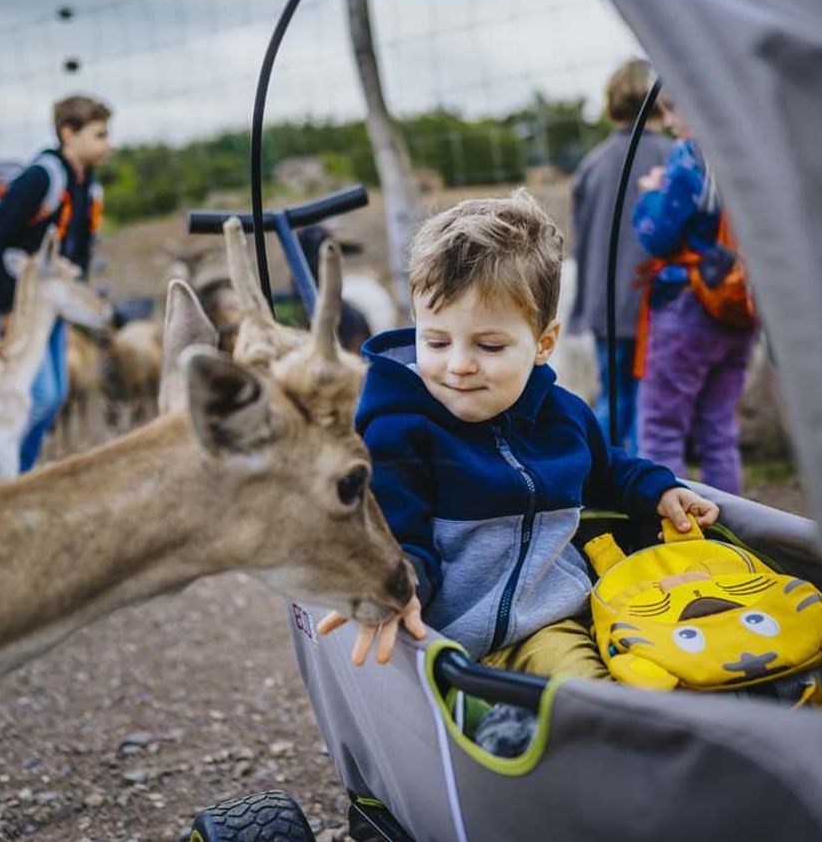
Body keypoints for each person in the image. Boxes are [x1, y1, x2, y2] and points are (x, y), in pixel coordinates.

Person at [318, 191, 719, 685]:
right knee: (582, 700)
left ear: (543, 344)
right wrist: (398, 585)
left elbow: (607, 469)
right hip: (446, 639)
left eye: (489, 345)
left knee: (642, 676)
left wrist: (658, 489)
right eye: (436, 341)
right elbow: (400, 536)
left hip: (556, 621)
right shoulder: (400, 430)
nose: (459, 365)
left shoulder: (562, 415)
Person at [0, 95, 112, 485]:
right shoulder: (43, 178)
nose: (107, 144)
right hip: (17, 304)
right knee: (38, 396)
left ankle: (18, 480)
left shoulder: (85, 184)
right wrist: (4, 307)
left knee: (55, 395)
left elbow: (76, 249)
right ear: (68, 133)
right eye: (99, 134)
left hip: (49, 305)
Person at [631, 102, 755, 492]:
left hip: (687, 303)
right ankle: (732, 527)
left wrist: (651, 194)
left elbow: (658, 235)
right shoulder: (749, 152)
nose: (668, 122)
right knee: (718, 429)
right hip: (737, 304)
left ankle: (668, 531)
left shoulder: (689, 155)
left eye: (673, 109)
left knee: (662, 428)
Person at [568, 59, 676, 452]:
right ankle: (646, 493)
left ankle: (600, 488)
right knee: (655, 407)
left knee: (612, 402)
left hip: (606, 306)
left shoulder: (591, 164)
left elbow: (579, 242)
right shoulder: (674, 157)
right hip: (661, 304)